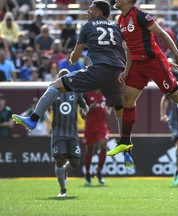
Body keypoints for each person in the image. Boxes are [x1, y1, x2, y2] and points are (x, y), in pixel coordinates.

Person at [11, 0, 133, 166]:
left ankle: (33, 119)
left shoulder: (88, 26)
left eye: (91, 8)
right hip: (118, 72)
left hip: (99, 70)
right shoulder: (116, 26)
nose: (87, 11)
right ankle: (127, 152)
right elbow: (129, 47)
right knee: (120, 111)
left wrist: (72, 58)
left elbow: (75, 57)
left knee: (55, 85)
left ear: (99, 11)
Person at [107, 0, 178, 158]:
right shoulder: (120, 19)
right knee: (127, 100)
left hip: (153, 62)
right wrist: (127, 69)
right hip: (138, 65)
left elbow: (162, 34)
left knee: (177, 97)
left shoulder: (140, 15)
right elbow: (130, 47)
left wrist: (177, 54)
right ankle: (125, 141)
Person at [50, 69, 88, 197]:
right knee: (59, 159)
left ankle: (64, 172)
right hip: (58, 132)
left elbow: (84, 106)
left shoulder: (76, 91)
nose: (64, 79)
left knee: (75, 162)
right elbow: (43, 104)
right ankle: (62, 190)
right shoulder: (53, 91)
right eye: (62, 77)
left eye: (66, 76)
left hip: (72, 133)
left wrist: (84, 112)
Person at [82, 90, 111, 185]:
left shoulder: (105, 93)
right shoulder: (86, 94)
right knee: (90, 149)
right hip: (90, 125)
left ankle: (99, 171)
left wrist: (108, 111)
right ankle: (87, 173)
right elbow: (82, 112)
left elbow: (109, 109)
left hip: (101, 125)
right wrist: (89, 108)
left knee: (103, 144)